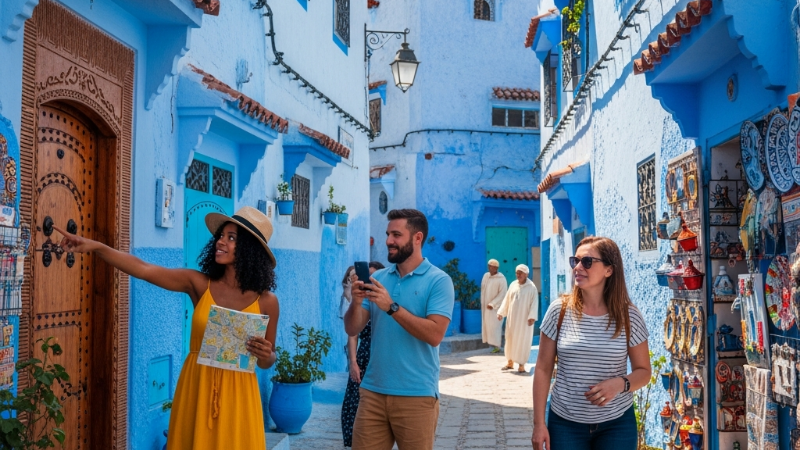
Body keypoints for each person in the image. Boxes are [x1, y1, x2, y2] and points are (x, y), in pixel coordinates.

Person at [54, 206, 280, 450]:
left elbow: (267, 360)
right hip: (197, 386)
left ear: (249, 250)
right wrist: (96, 247)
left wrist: (267, 355)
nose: (221, 242)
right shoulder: (200, 284)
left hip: (240, 396)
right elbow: (144, 270)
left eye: (231, 238)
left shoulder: (267, 302)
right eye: (221, 236)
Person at [344, 209, 454, 450]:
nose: (388, 241)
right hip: (373, 392)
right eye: (387, 234)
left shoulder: (439, 281)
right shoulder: (379, 279)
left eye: (396, 234)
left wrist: (391, 307)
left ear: (417, 238)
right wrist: (356, 302)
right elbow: (352, 327)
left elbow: (435, 335)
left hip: (416, 394)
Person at [531, 236, 651, 450]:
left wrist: (619, 384)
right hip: (565, 423)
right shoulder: (559, 311)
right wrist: (539, 424)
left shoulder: (628, 316)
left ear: (609, 270)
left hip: (617, 424)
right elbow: (542, 369)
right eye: (574, 261)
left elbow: (643, 371)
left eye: (587, 262)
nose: (577, 267)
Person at [341, 261, 384, 447]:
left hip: (382, 358)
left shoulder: (384, 300)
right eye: (369, 275)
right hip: (364, 357)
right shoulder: (361, 302)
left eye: (375, 276)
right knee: (353, 403)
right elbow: (353, 335)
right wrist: (353, 362)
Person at [496, 264, 538, 373]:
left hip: (524, 321)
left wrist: (532, 316)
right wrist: (501, 312)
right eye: (517, 273)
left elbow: (534, 304)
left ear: (526, 274)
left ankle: (521, 364)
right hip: (512, 319)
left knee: (523, 340)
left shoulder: (532, 287)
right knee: (510, 338)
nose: (518, 275)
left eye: (520, 273)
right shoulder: (513, 285)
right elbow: (506, 300)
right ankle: (510, 362)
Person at [481, 259, 507, 353]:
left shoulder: (501, 279)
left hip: (495, 308)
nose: (489, 268)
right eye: (489, 265)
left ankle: (497, 346)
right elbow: (483, 290)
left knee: (495, 326)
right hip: (486, 307)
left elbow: (502, 294)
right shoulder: (486, 276)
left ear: (496, 268)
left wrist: (493, 304)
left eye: (491, 266)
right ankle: (491, 344)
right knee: (488, 325)